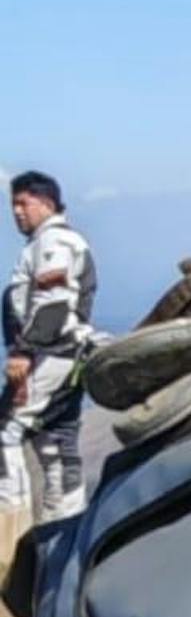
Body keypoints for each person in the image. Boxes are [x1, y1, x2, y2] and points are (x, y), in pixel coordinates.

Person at [0, 171, 96, 543]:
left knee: (5, 432)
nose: (16, 211)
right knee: (54, 442)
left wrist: (24, 351)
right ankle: (63, 535)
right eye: (13, 204)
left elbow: (53, 304)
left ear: (48, 204)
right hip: (65, 356)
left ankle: (10, 538)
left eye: (23, 203)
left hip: (49, 356)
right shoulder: (54, 242)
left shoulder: (54, 242)